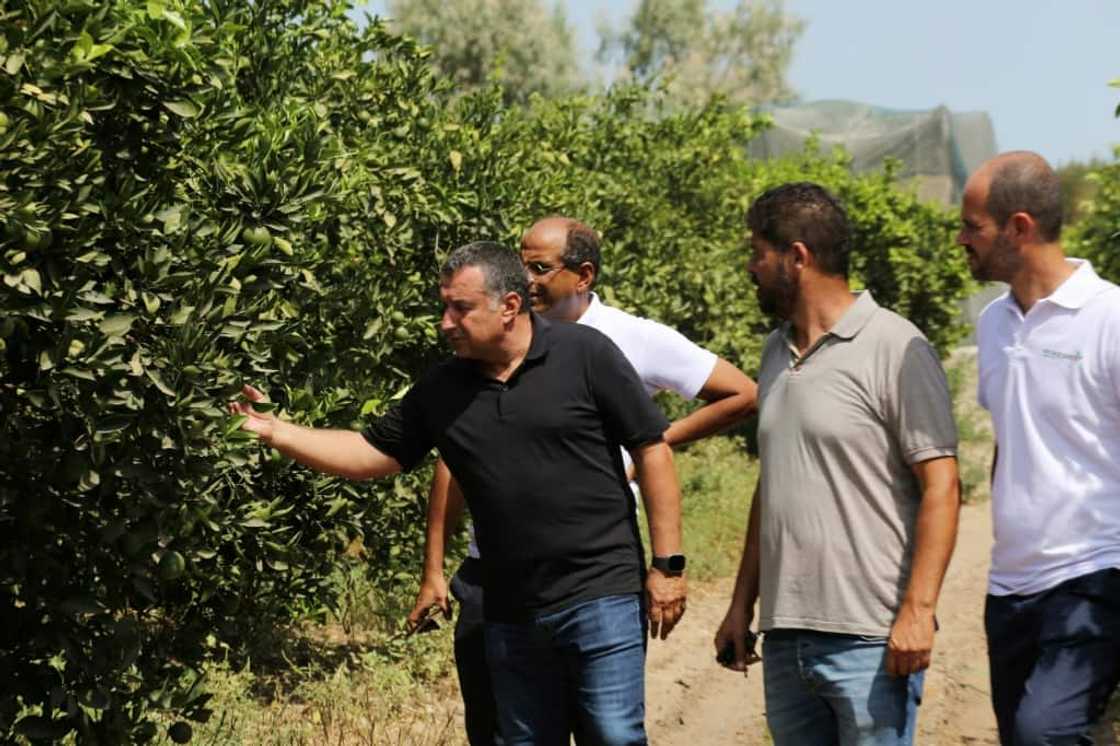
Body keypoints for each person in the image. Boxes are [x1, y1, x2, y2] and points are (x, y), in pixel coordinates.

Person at [231, 241, 687, 746]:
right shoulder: (443, 388)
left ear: (509, 306)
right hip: (510, 609)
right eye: (443, 306)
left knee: (615, 735)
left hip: (601, 592)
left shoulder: (584, 354)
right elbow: (368, 454)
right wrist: (275, 431)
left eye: (461, 308)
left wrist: (667, 566)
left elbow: (652, 450)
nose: (446, 322)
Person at [408, 217, 758, 746]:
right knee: (501, 731)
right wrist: (435, 567)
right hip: (494, 579)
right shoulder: (492, 343)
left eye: (540, 267)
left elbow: (742, 394)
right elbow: (454, 455)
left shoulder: (625, 340)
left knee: (607, 730)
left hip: (592, 576)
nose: (524, 279)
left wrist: (649, 447)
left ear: (584, 275)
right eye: (519, 264)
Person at [714, 182, 961, 745]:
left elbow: (942, 486)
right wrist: (740, 606)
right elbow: (772, 485)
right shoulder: (776, 353)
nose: (751, 268)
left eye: (757, 253)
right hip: (785, 638)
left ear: (796, 257)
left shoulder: (897, 347)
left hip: (868, 639)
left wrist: (918, 611)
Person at [958, 151, 1120, 743]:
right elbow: (1014, 438)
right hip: (1009, 587)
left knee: (1042, 733)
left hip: (1093, 576)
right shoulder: (994, 324)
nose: (960, 240)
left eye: (972, 226)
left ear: (1019, 228)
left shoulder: (1110, 320)